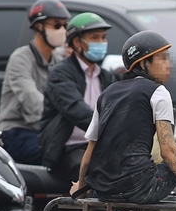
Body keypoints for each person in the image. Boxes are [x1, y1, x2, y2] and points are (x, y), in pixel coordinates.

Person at [71, 30, 176, 211]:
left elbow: (89, 153)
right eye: (163, 59)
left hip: (103, 190)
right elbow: (169, 151)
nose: (169, 65)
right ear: (143, 64)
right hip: (142, 189)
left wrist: (81, 187)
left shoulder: (107, 94)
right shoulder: (158, 92)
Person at [39, 12, 118, 182]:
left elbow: (118, 110)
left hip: (99, 147)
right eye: (95, 38)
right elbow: (76, 110)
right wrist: (110, 129)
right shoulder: (61, 73)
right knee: (93, 171)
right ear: (76, 42)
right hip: (68, 148)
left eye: (104, 38)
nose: (102, 42)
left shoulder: (106, 77)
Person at [0, 0, 71, 164]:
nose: (62, 31)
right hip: (18, 131)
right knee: (61, 157)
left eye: (65, 25)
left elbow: (70, 95)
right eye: (56, 25)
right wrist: (65, 120)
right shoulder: (21, 58)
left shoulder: (60, 60)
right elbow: (32, 101)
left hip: (48, 132)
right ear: (39, 26)